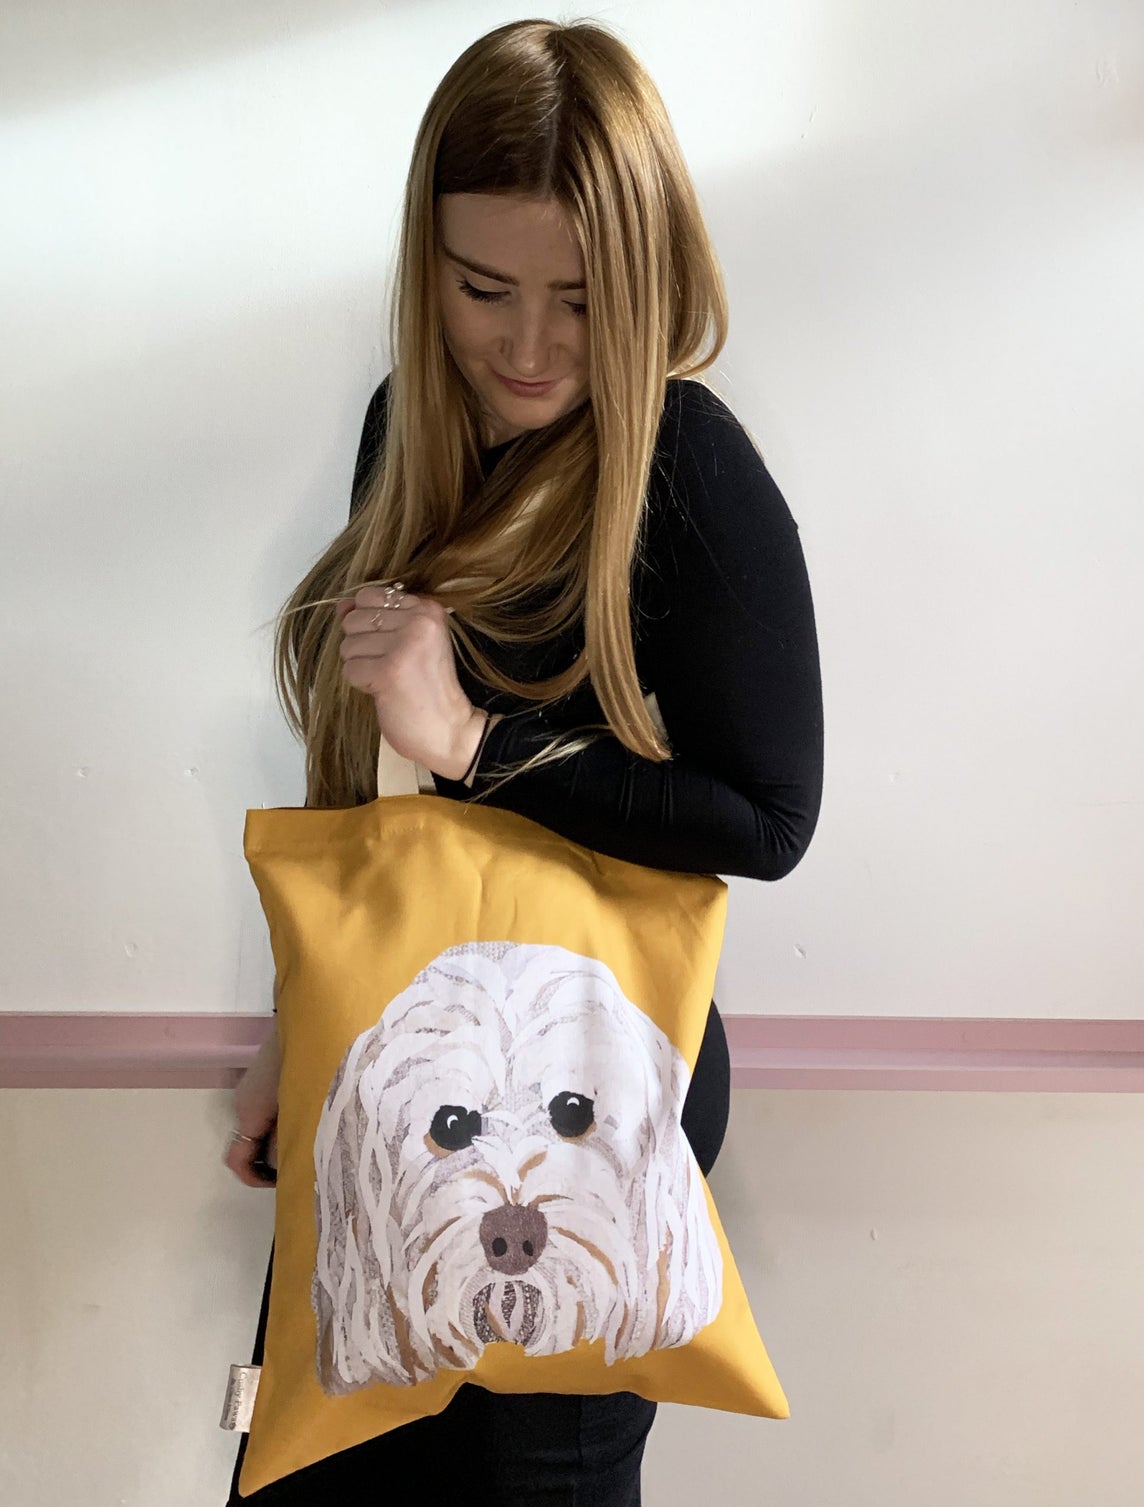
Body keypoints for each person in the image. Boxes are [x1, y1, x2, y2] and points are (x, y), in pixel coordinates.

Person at [221, 17, 823, 1506]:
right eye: (483, 288)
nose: (531, 346)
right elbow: (374, 798)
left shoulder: (685, 463)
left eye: (582, 297)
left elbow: (766, 819)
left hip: (589, 1099)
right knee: (314, 1454)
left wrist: (479, 743)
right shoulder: (407, 428)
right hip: (399, 1064)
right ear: (424, 264)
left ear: (650, 274)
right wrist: (301, 1029)